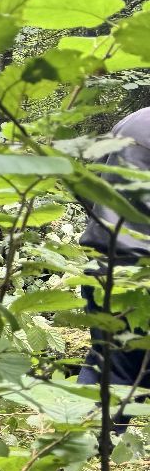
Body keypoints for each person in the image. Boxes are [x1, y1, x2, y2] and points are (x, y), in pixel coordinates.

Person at [77, 107, 150, 426]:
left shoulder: (134, 120)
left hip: (105, 266)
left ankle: (66, 468)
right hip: (141, 274)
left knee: (109, 373)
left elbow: (89, 185)